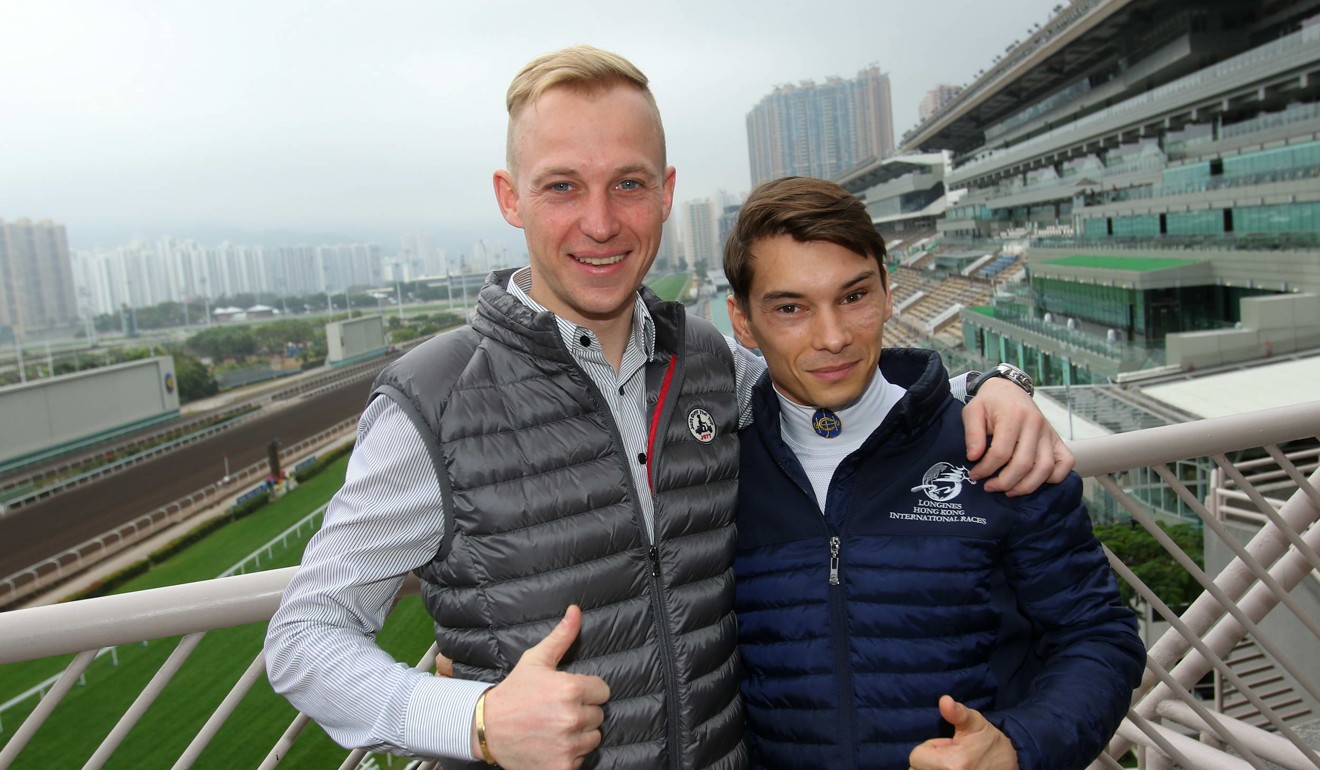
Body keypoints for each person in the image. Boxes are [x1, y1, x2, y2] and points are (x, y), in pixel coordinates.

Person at [264, 46, 1071, 770]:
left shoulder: (713, 361)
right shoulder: (433, 401)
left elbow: (845, 379)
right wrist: (473, 719)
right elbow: (303, 638)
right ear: (510, 199)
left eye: (628, 184)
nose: (601, 222)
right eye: (562, 187)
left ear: (666, 192)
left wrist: (993, 385)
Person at [723, 177, 1145, 770]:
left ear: (888, 292)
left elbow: (1099, 637)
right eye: (791, 308)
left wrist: (1019, 748)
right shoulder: (717, 473)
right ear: (743, 323)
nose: (834, 336)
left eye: (854, 296)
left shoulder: (994, 445)